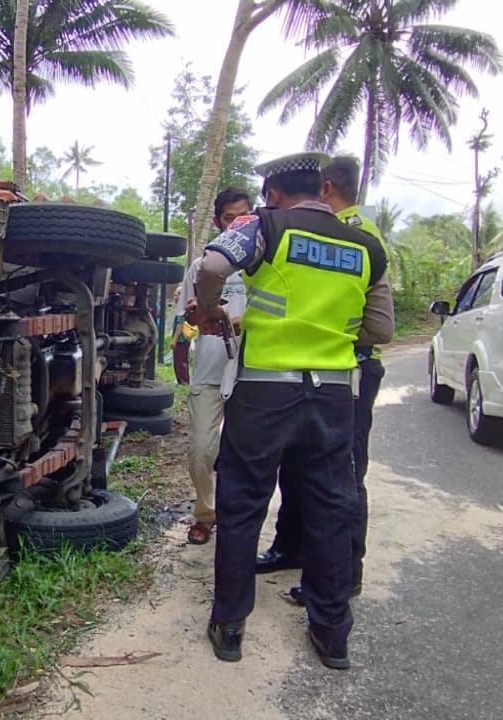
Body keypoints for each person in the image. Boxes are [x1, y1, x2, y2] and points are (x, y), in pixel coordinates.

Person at [195, 153, 393, 669]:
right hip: (332, 395)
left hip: (265, 392)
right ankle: (332, 634)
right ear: (322, 189)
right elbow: (381, 331)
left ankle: (231, 625)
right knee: (330, 509)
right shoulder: (368, 247)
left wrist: (214, 310)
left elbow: (214, 266)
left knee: (242, 507)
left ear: (276, 193)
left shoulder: (267, 225)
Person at [258, 157, 393, 603]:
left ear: (326, 188)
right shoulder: (339, 232)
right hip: (317, 371)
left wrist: (325, 327)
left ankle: (341, 573)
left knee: (342, 477)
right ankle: (291, 548)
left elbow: (381, 328)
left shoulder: (359, 236)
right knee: (299, 465)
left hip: (346, 370)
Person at [175, 188, 253, 545]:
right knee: (201, 451)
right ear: (218, 221)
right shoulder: (202, 266)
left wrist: (231, 322)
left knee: (246, 454)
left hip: (252, 372)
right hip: (208, 371)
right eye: (229, 217)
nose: (236, 224)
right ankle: (206, 513)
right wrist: (189, 331)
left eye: (244, 216)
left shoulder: (261, 267)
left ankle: (239, 522)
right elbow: (186, 321)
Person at [170, 285, 193, 385]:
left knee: (180, 361)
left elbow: (180, 325)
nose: (176, 296)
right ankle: (181, 380)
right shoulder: (181, 308)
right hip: (183, 339)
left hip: (181, 339)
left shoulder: (182, 309)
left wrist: (174, 339)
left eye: (179, 294)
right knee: (181, 359)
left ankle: (183, 381)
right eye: (175, 294)